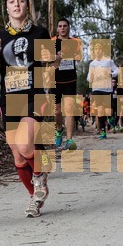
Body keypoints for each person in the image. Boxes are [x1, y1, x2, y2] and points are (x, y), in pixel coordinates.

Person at [0, 0, 60, 218]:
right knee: (17, 155)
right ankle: (34, 198)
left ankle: (40, 174)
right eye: (11, 1)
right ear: (6, 7)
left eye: (20, 0)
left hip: (34, 95)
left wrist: (55, 59)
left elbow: (51, 65)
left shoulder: (39, 33)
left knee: (26, 146)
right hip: (8, 99)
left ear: (27, 5)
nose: (16, 5)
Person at [52, 18, 81, 151]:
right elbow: (46, 61)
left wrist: (70, 54)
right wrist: (56, 58)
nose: (62, 28)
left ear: (68, 28)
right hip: (55, 80)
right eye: (60, 26)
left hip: (70, 80)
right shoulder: (52, 42)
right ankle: (59, 130)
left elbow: (79, 59)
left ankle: (69, 140)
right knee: (57, 111)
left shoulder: (75, 42)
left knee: (69, 110)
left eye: (65, 26)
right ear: (57, 29)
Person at [87, 40, 118, 139]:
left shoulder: (108, 61)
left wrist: (111, 74)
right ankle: (103, 131)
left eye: (100, 48)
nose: (98, 50)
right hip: (96, 89)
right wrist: (91, 77)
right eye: (96, 49)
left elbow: (117, 71)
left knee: (108, 110)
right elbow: (88, 77)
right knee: (100, 110)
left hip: (107, 89)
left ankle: (110, 119)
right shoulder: (92, 64)